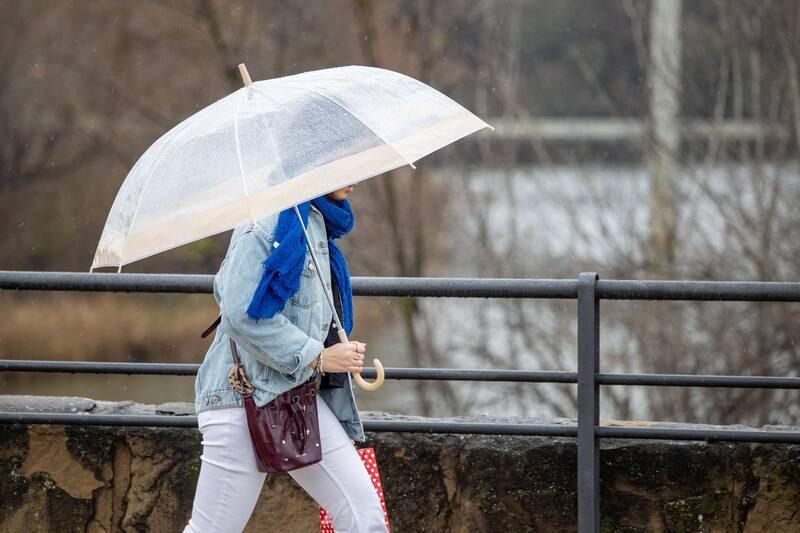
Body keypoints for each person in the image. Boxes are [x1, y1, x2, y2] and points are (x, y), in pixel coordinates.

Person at [184, 183, 389, 532]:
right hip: (241, 398)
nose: (354, 177)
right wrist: (319, 357)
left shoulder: (312, 220)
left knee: (364, 516)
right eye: (341, 165)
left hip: (296, 397)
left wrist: (331, 351)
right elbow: (238, 313)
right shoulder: (264, 222)